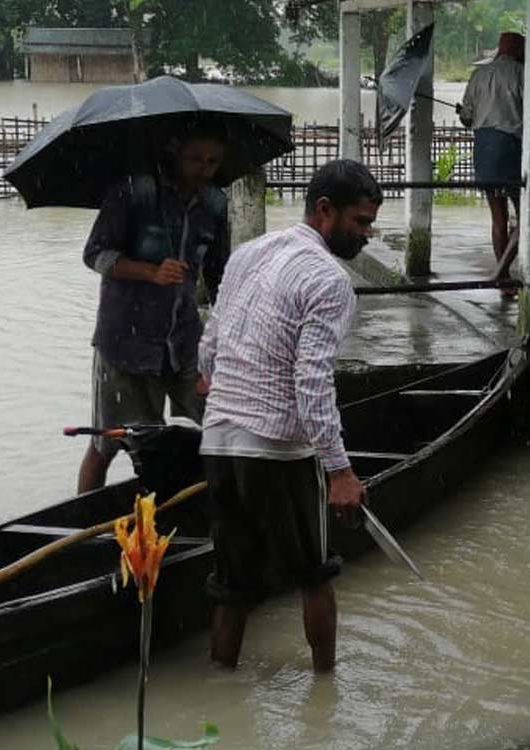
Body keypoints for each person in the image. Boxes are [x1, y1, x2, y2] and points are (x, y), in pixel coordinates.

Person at [197, 160, 380, 673]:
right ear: (325, 210)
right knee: (314, 575)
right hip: (277, 448)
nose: (367, 235)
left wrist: (224, 396)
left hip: (219, 442)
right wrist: (340, 472)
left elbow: (209, 347)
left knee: (232, 586)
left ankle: (221, 684)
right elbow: (312, 384)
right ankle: (326, 689)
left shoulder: (248, 254)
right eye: (360, 222)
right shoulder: (329, 279)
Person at [76, 119, 230, 493]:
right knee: (109, 440)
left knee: (219, 429)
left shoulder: (214, 203)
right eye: (195, 159)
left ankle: (198, 508)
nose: (204, 169)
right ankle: (83, 516)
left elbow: (221, 277)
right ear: (175, 152)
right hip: (126, 341)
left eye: (212, 162)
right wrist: (150, 271)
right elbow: (94, 254)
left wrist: (227, 339)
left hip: (185, 341)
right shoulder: (134, 191)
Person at [459, 31, 524, 297]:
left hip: (483, 147)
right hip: (510, 146)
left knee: (498, 217)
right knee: (525, 216)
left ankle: (503, 278)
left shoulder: (478, 75)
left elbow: (466, 117)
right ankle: (501, 271)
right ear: (519, 50)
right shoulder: (521, 73)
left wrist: (469, 114)